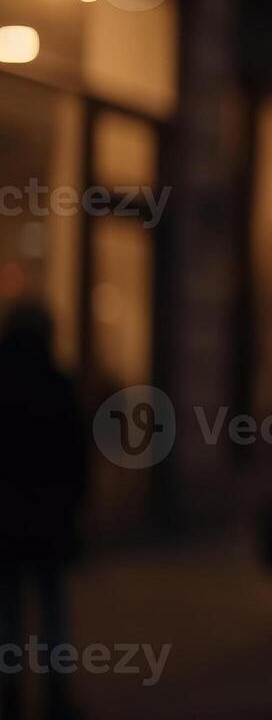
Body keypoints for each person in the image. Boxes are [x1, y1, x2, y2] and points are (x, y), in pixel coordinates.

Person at [0, 303, 88, 720]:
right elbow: (75, 455)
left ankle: (11, 692)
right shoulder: (57, 383)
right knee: (53, 605)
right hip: (49, 517)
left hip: (6, 517)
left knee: (9, 607)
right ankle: (54, 693)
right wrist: (76, 503)